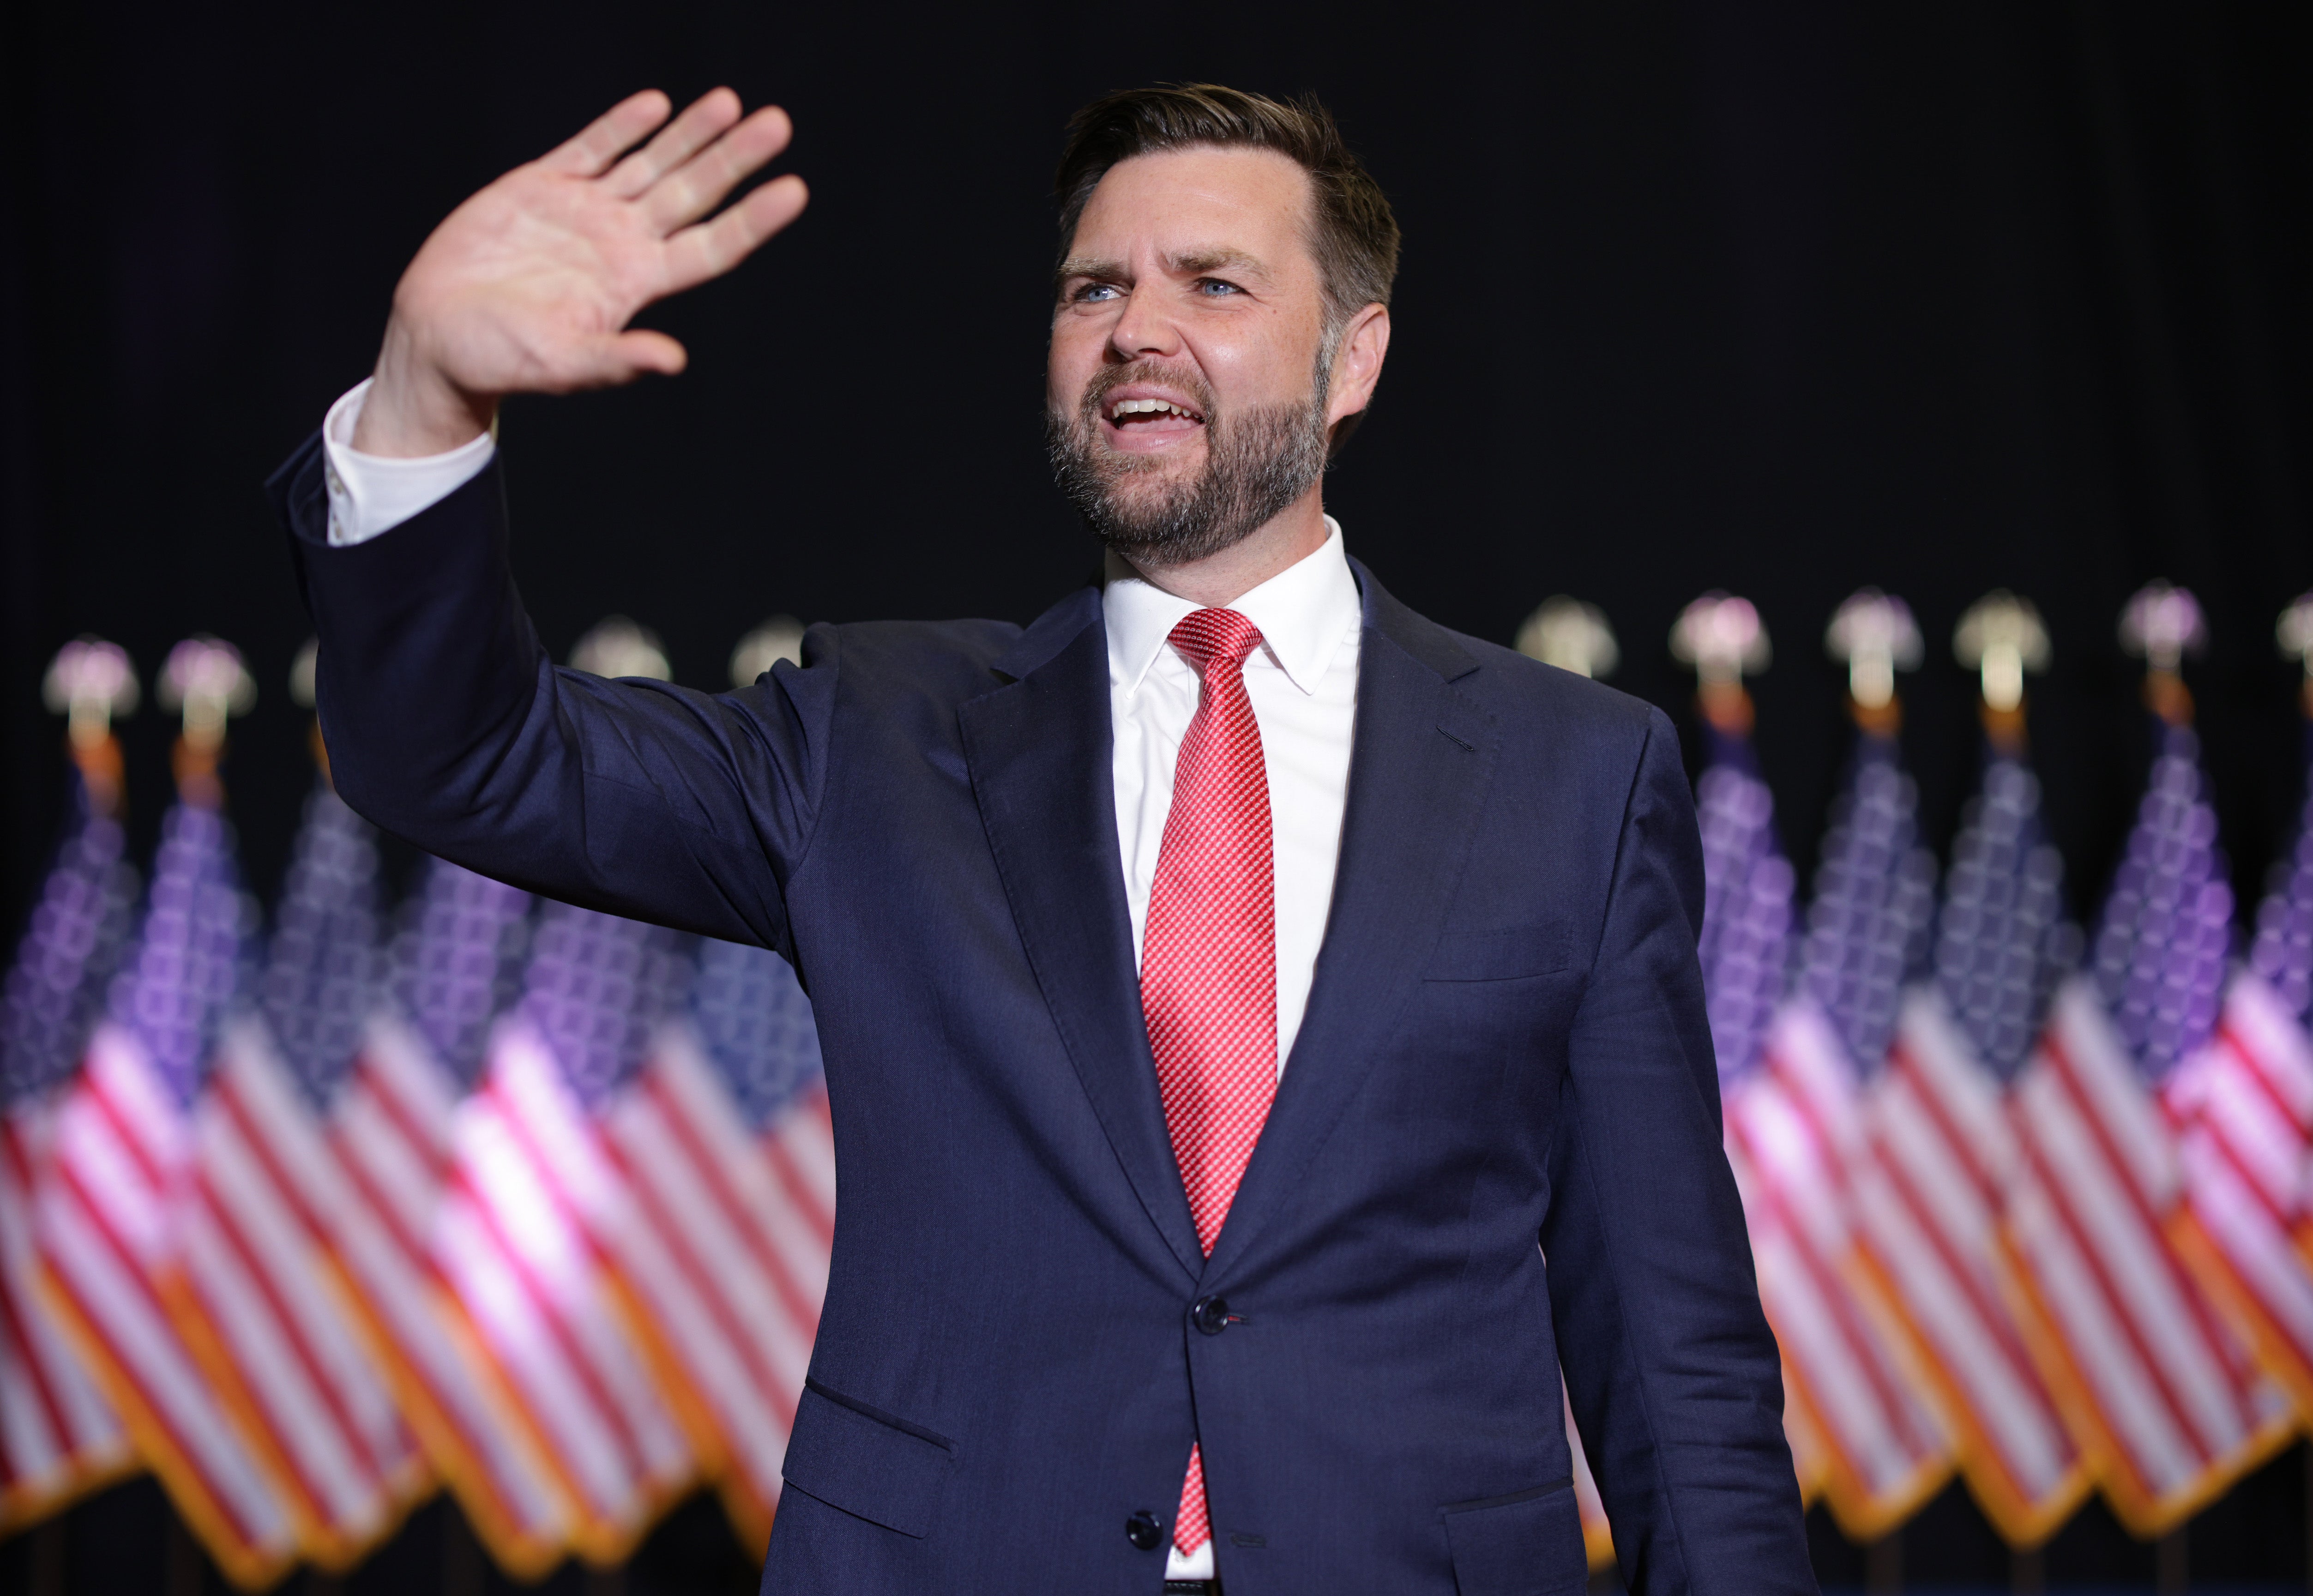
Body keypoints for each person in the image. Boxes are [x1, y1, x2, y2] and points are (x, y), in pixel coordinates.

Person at [271, 83, 1810, 1596]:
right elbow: (458, 760)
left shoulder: (1573, 774)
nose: (1137, 327)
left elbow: (1672, 1357)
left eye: (1212, 282)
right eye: (1095, 287)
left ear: (1355, 356)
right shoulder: (873, 734)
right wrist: (424, 395)